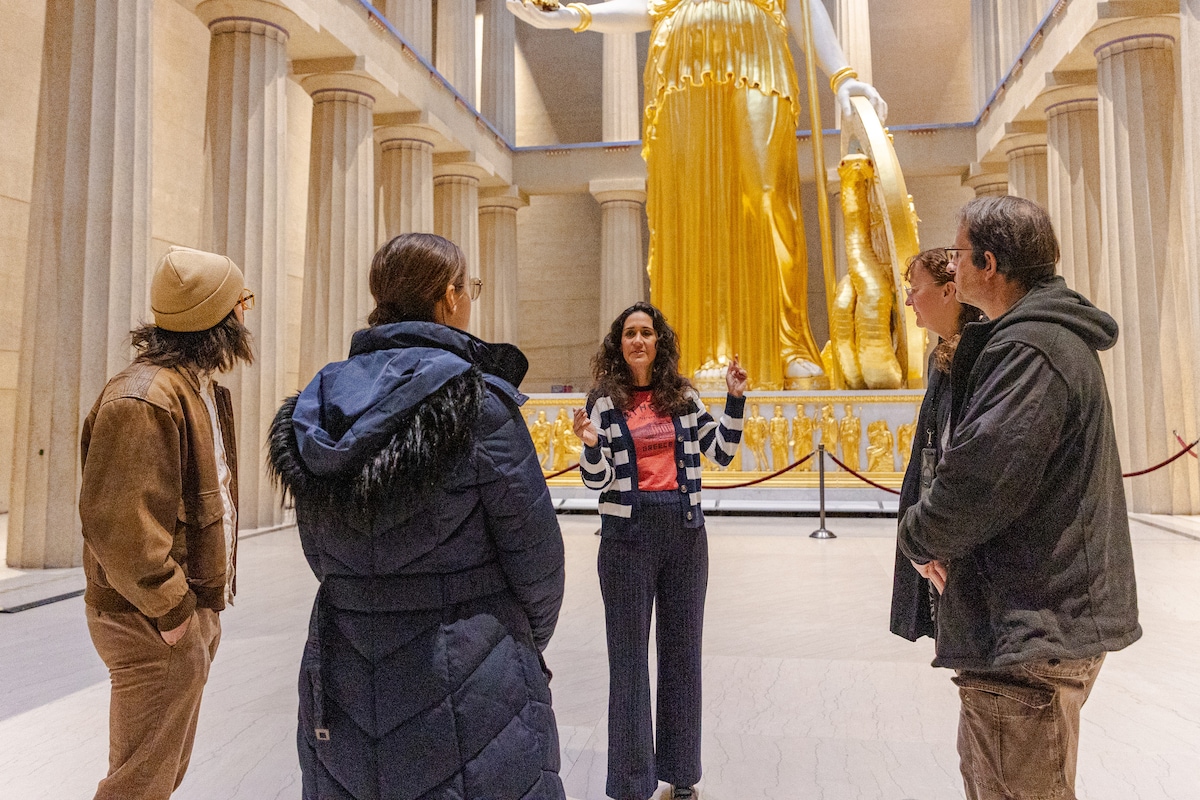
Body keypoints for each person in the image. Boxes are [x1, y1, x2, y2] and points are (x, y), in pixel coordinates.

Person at [268, 233, 567, 800]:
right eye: (469, 287)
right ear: (449, 297)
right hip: (473, 667)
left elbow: (319, 551)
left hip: (346, 663)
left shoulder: (317, 407)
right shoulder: (480, 405)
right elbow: (537, 561)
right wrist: (518, 643)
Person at [508, 0, 885, 389]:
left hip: (757, 56)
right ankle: (698, 350)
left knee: (768, 196)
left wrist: (842, 76)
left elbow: (803, 7)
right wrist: (577, 16)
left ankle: (785, 343)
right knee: (692, 213)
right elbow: (651, 7)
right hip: (682, 71)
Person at [898, 198, 1141, 799]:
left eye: (957, 256)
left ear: (989, 262)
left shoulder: (1028, 348)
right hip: (1035, 623)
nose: (951, 271)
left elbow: (981, 479)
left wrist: (917, 535)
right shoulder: (1032, 339)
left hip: (1029, 626)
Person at [79, 246, 255, 800]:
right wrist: (175, 612)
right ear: (217, 316)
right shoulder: (144, 399)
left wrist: (199, 614)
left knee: (159, 773)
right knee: (137, 784)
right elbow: (119, 527)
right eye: (240, 302)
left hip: (177, 616)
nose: (246, 313)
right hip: (148, 620)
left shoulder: (195, 391)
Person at [572, 301, 747, 800]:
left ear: (659, 342)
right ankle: (631, 782)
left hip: (685, 534)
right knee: (627, 661)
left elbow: (722, 451)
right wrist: (589, 443)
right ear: (618, 344)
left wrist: (734, 400)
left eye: (647, 333)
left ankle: (681, 774)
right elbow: (595, 479)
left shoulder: (684, 397)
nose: (639, 341)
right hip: (626, 538)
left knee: (682, 655)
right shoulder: (604, 403)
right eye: (630, 333)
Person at [888, 247, 982, 642]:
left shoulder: (977, 356)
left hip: (955, 537)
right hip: (935, 532)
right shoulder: (940, 356)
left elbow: (961, 459)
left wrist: (932, 534)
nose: (908, 300)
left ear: (948, 292)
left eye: (914, 289)